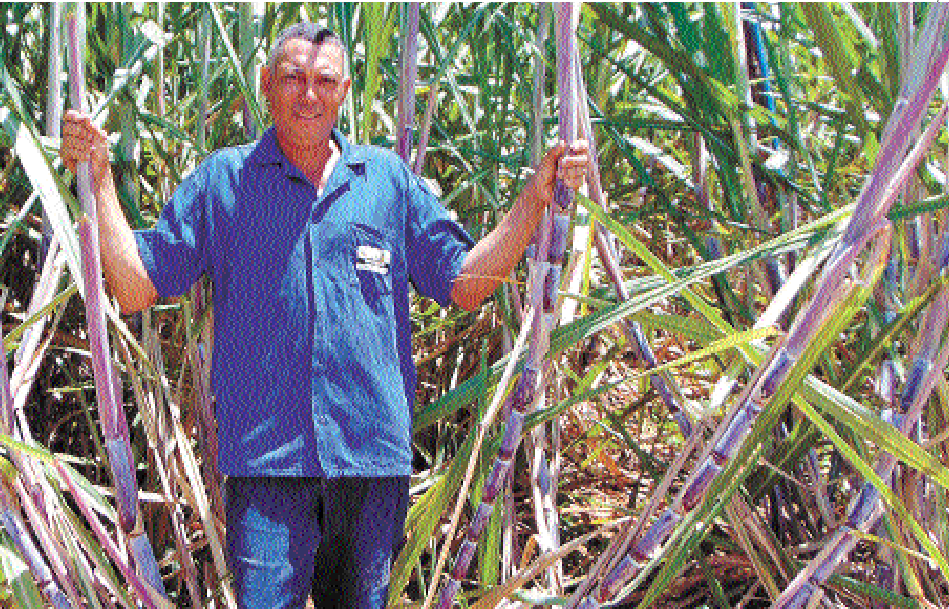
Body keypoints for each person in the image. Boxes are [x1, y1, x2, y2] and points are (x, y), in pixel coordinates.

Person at [60, 22, 587, 609]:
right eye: (293, 78)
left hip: (369, 461)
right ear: (266, 84)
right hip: (266, 468)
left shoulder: (385, 182)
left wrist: (533, 201)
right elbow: (134, 287)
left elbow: (466, 283)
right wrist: (100, 178)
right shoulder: (225, 184)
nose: (308, 94)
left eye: (324, 81)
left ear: (342, 93)